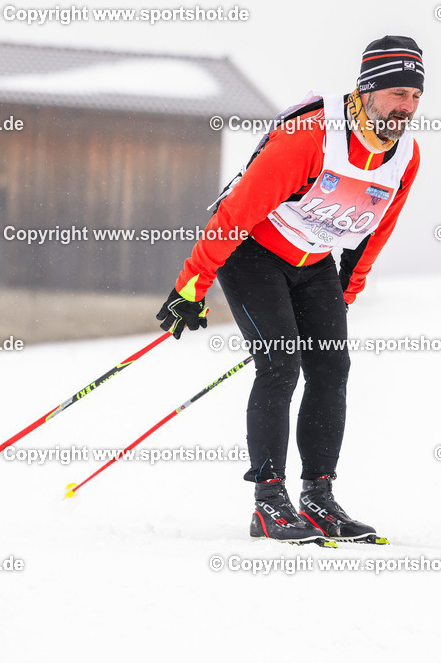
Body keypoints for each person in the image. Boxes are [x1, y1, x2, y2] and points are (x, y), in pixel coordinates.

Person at [156, 35, 424, 545]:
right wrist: (192, 285)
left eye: (415, 97)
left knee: (331, 368)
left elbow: (378, 229)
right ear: (367, 88)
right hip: (253, 253)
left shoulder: (404, 156)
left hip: (314, 261)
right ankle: (268, 501)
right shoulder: (311, 136)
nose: (406, 107)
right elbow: (236, 213)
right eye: (397, 93)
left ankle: (318, 498)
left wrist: (347, 290)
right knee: (280, 364)